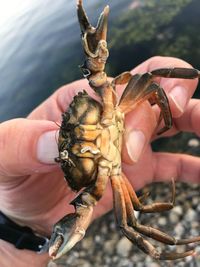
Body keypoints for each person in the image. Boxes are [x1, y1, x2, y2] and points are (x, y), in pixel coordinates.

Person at [0, 56, 199, 267]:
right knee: (129, 224)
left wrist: (166, 118)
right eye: (64, 148)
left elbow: (151, 85)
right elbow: (130, 222)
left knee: (151, 79)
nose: (74, 141)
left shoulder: (112, 101)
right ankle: (179, 244)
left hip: (112, 137)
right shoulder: (97, 188)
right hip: (105, 174)